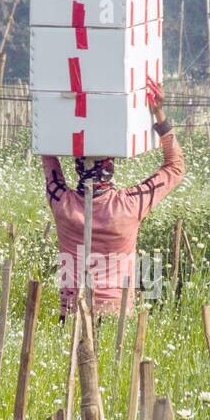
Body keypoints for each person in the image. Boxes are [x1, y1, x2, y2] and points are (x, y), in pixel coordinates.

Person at [42, 77, 183, 319]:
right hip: (117, 315)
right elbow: (174, 167)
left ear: (77, 167)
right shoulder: (129, 205)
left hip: (72, 313)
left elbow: (48, 156)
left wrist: (52, 107)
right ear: (110, 168)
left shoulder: (61, 203)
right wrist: (159, 113)